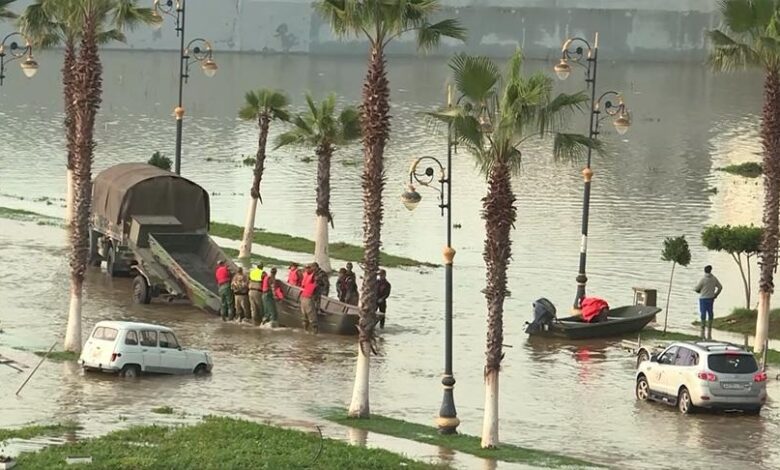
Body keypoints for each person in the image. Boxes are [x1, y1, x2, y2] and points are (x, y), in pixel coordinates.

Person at [695, 265, 723, 340]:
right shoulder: (714, 278)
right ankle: (710, 326)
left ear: (704, 271)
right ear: (711, 270)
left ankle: (703, 327)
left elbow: (697, 288)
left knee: (703, 313)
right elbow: (720, 287)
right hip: (711, 298)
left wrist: (698, 290)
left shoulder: (703, 279)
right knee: (710, 312)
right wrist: (716, 294)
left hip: (703, 298)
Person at [300, 264, 318, 333]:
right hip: (304, 297)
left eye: (309, 268)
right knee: (305, 315)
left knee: (311, 315)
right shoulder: (306, 274)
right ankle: (306, 331)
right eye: (306, 268)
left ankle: (314, 332)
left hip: (308, 297)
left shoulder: (313, 276)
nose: (307, 269)